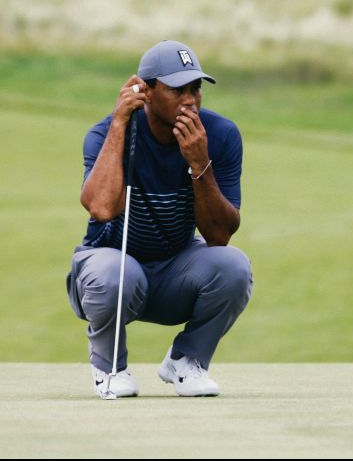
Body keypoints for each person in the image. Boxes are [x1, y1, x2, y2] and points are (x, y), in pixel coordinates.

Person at [66, 40, 253, 398]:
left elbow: (219, 236)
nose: (190, 100)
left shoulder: (221, 135)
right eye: (176, 89)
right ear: (145, 91)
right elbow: (101, 208)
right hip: (109, 270)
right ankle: (110, 369)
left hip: (174, 273)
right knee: (117, 272)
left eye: (195, 88)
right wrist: (121, 124)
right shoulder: (106, 132)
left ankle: (186, 361)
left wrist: (200, 164)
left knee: (234, 266)